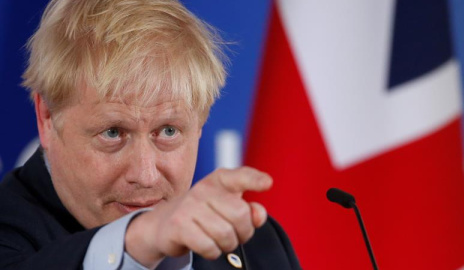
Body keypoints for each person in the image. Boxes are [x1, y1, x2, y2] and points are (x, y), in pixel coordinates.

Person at [0, 0, 301, 269]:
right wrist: (139, 238)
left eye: (168, 131)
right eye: (113, 133)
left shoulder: (254, 243)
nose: (145, 175)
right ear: (47, 117)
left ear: (200, 124)